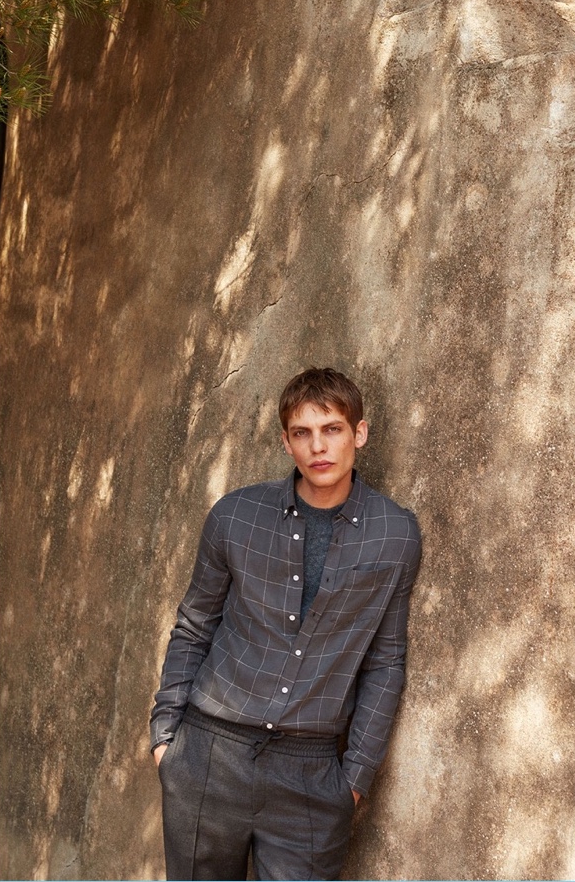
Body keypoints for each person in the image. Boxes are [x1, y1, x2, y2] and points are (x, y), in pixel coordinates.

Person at [150, 367, 422, 881]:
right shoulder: (235, 516)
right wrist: (166, 739)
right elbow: (194, 626)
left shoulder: (396, 534)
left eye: (333, 429)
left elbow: (385, 663)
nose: (318, 446)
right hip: (209, 756)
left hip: (312, 777)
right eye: (303, 433)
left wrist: (354, 779)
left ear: (359, 433)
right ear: (286, 442)